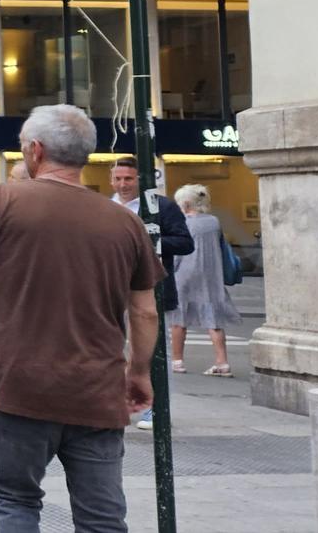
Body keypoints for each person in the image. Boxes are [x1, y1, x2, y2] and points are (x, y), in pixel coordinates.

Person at [0, 105, 161, 532]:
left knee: (16, 499)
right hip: (97, 388)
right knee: (102, 516)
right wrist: (138, 371)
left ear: (35, 150)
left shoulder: (2, 200)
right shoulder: (125, 222)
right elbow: (144, 310)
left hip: (21, 382)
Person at [108, 157, 192, 431]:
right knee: (112, 349)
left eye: (128, 179)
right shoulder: (106, 207)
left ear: (140, 180)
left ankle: (155, 408)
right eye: (118, 179)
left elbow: (184, 243)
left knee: (154, 351)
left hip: (152, 289)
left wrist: (148, 237)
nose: (122, 184)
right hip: (111, 290)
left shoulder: (161, 207)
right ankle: (117, 404)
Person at [169, 184, 239, 377]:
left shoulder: (182, 223)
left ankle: (177, 361)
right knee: (214, 320)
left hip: (184, 274)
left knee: (178, 319)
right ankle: (222, 362)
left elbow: (176, 253)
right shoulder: (213, 222)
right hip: (211, 274)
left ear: (184, 203)